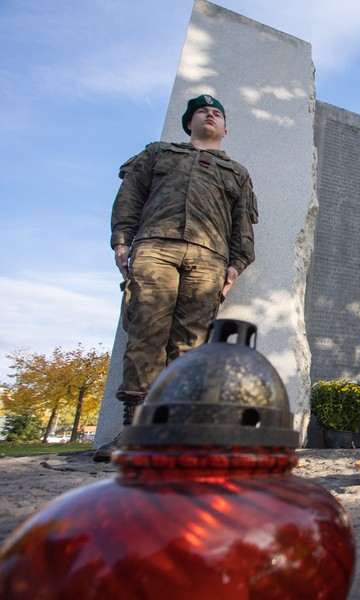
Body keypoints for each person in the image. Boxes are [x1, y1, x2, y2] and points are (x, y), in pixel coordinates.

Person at [94, 94, 258, 462]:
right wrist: (122, 241)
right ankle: (136, 429)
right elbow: (130, 197)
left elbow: (242, 225)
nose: (210, 115)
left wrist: (236, 264)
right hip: (155, 247)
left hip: (209, 259)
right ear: (190, 123)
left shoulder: (237, 172)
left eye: (217, 112)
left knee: (191, 344)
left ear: (225, 128)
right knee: (146, 334)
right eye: (203, 111)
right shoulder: (158, 153)